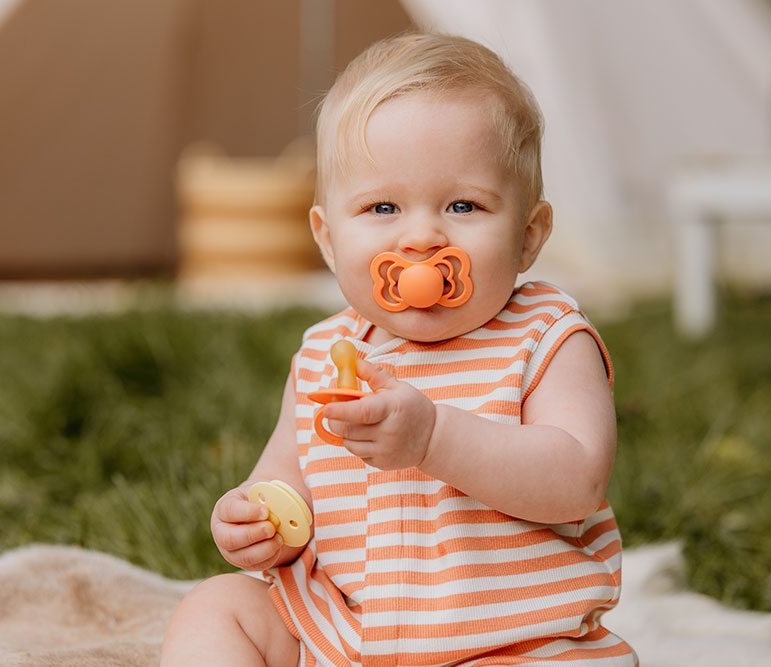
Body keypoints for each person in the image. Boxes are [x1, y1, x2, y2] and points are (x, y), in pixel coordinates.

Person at [161, 32, 636, 666]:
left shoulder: (545, 337)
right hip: (349, 638)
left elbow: (577, 478)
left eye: (462, 204)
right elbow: (287, 476)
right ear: (329, 240)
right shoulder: (327, 354)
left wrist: (433, 438)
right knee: (219, 609)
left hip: (515, 644)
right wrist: (256, 518)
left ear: (528, 236)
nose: (419, 236)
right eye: (383, 206)